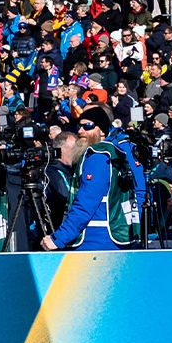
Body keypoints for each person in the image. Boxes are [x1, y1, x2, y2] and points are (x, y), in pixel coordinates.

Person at [44, 106, 142, 250]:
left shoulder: (98, 156)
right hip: (119, 236)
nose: (80, 131)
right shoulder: (117, 152)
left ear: (102, 131)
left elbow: (86, 203)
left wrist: (59, 238)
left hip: (95, 240)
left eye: (88, 126)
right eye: (79, 126)